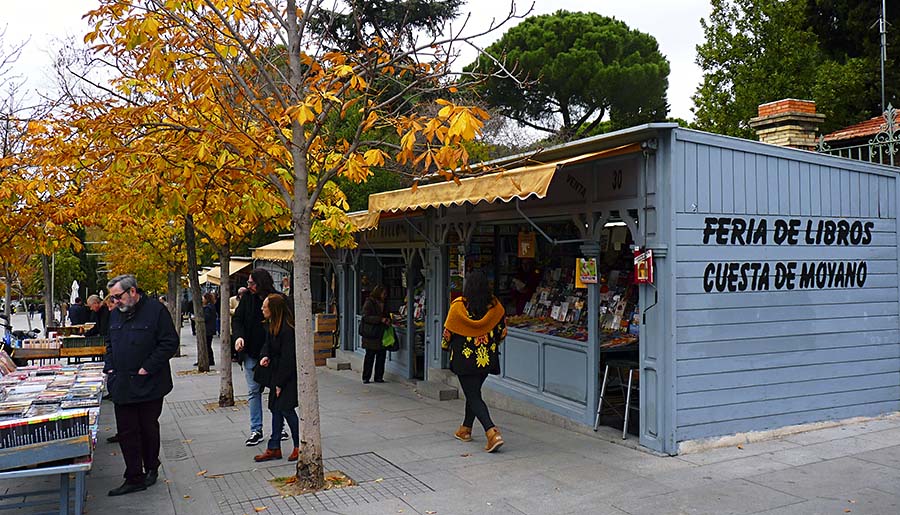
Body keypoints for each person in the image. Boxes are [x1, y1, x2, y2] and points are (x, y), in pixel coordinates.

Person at [103, 274, 179, 496]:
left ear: (132, 292)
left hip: (149, 384)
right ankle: (134, 476)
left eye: (118, 296)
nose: (115, 302)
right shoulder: (115, 315)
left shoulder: (156, 311)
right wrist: (109, 366)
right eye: (112, 298)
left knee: (147, 428)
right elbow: (109, 342)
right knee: (127, 432)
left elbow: (169, 342)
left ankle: (151, 467)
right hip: (122, 382)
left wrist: (148, 367)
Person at [441, 270, 507, 453]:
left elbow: (447, 334)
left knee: (473, 395)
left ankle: (492, 432)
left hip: (464, 359)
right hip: (485, 359)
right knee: (474, 392)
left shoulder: (458, 307)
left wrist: (445, 347)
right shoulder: (495, 307)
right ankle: (465, 429)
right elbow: (502, 332)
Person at [233, 269, 288, 446]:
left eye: (252, 283)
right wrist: (239, 337)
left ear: (261, 282)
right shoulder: (247, 298)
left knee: (276, 390)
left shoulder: (277, 299)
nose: (249, 286)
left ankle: (279, 426)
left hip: (272, 352)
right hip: (251, 351)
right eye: (248, 283)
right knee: (253, 391)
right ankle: (256, 429)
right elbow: (238, 320)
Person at [253, 294, 300, 462]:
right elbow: (267, 346)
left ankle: (298, 445)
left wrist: (280, 383)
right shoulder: (272, 326)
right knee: (275, 408)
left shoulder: (288, 330)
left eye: (265, 307)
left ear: (273, 309)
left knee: (286, 409)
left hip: (286, 376)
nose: (262, 309)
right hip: (276, 372)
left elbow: (288, 359)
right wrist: (264, 356)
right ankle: (274, 447)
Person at [360, 285, 389, 384]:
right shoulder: (369, 302)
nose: (385, 295)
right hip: (371, 334)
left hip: (381, 334)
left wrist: (387, 320)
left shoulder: (384, 303)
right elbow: (365, 317)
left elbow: (386, 314)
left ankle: (379, 377)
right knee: (370, 357)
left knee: (381, 357)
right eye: (383, 293)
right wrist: (379, 319)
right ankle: (366, 377)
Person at [197, 292, 216, 367]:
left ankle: (210, 360)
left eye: (203, 298)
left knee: (207, 345)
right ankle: (210, 359)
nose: (202, 300)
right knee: (208, 345)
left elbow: (206, 317)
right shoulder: (211, 306)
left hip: (207, 329)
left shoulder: (208, 308)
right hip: (210, 328)